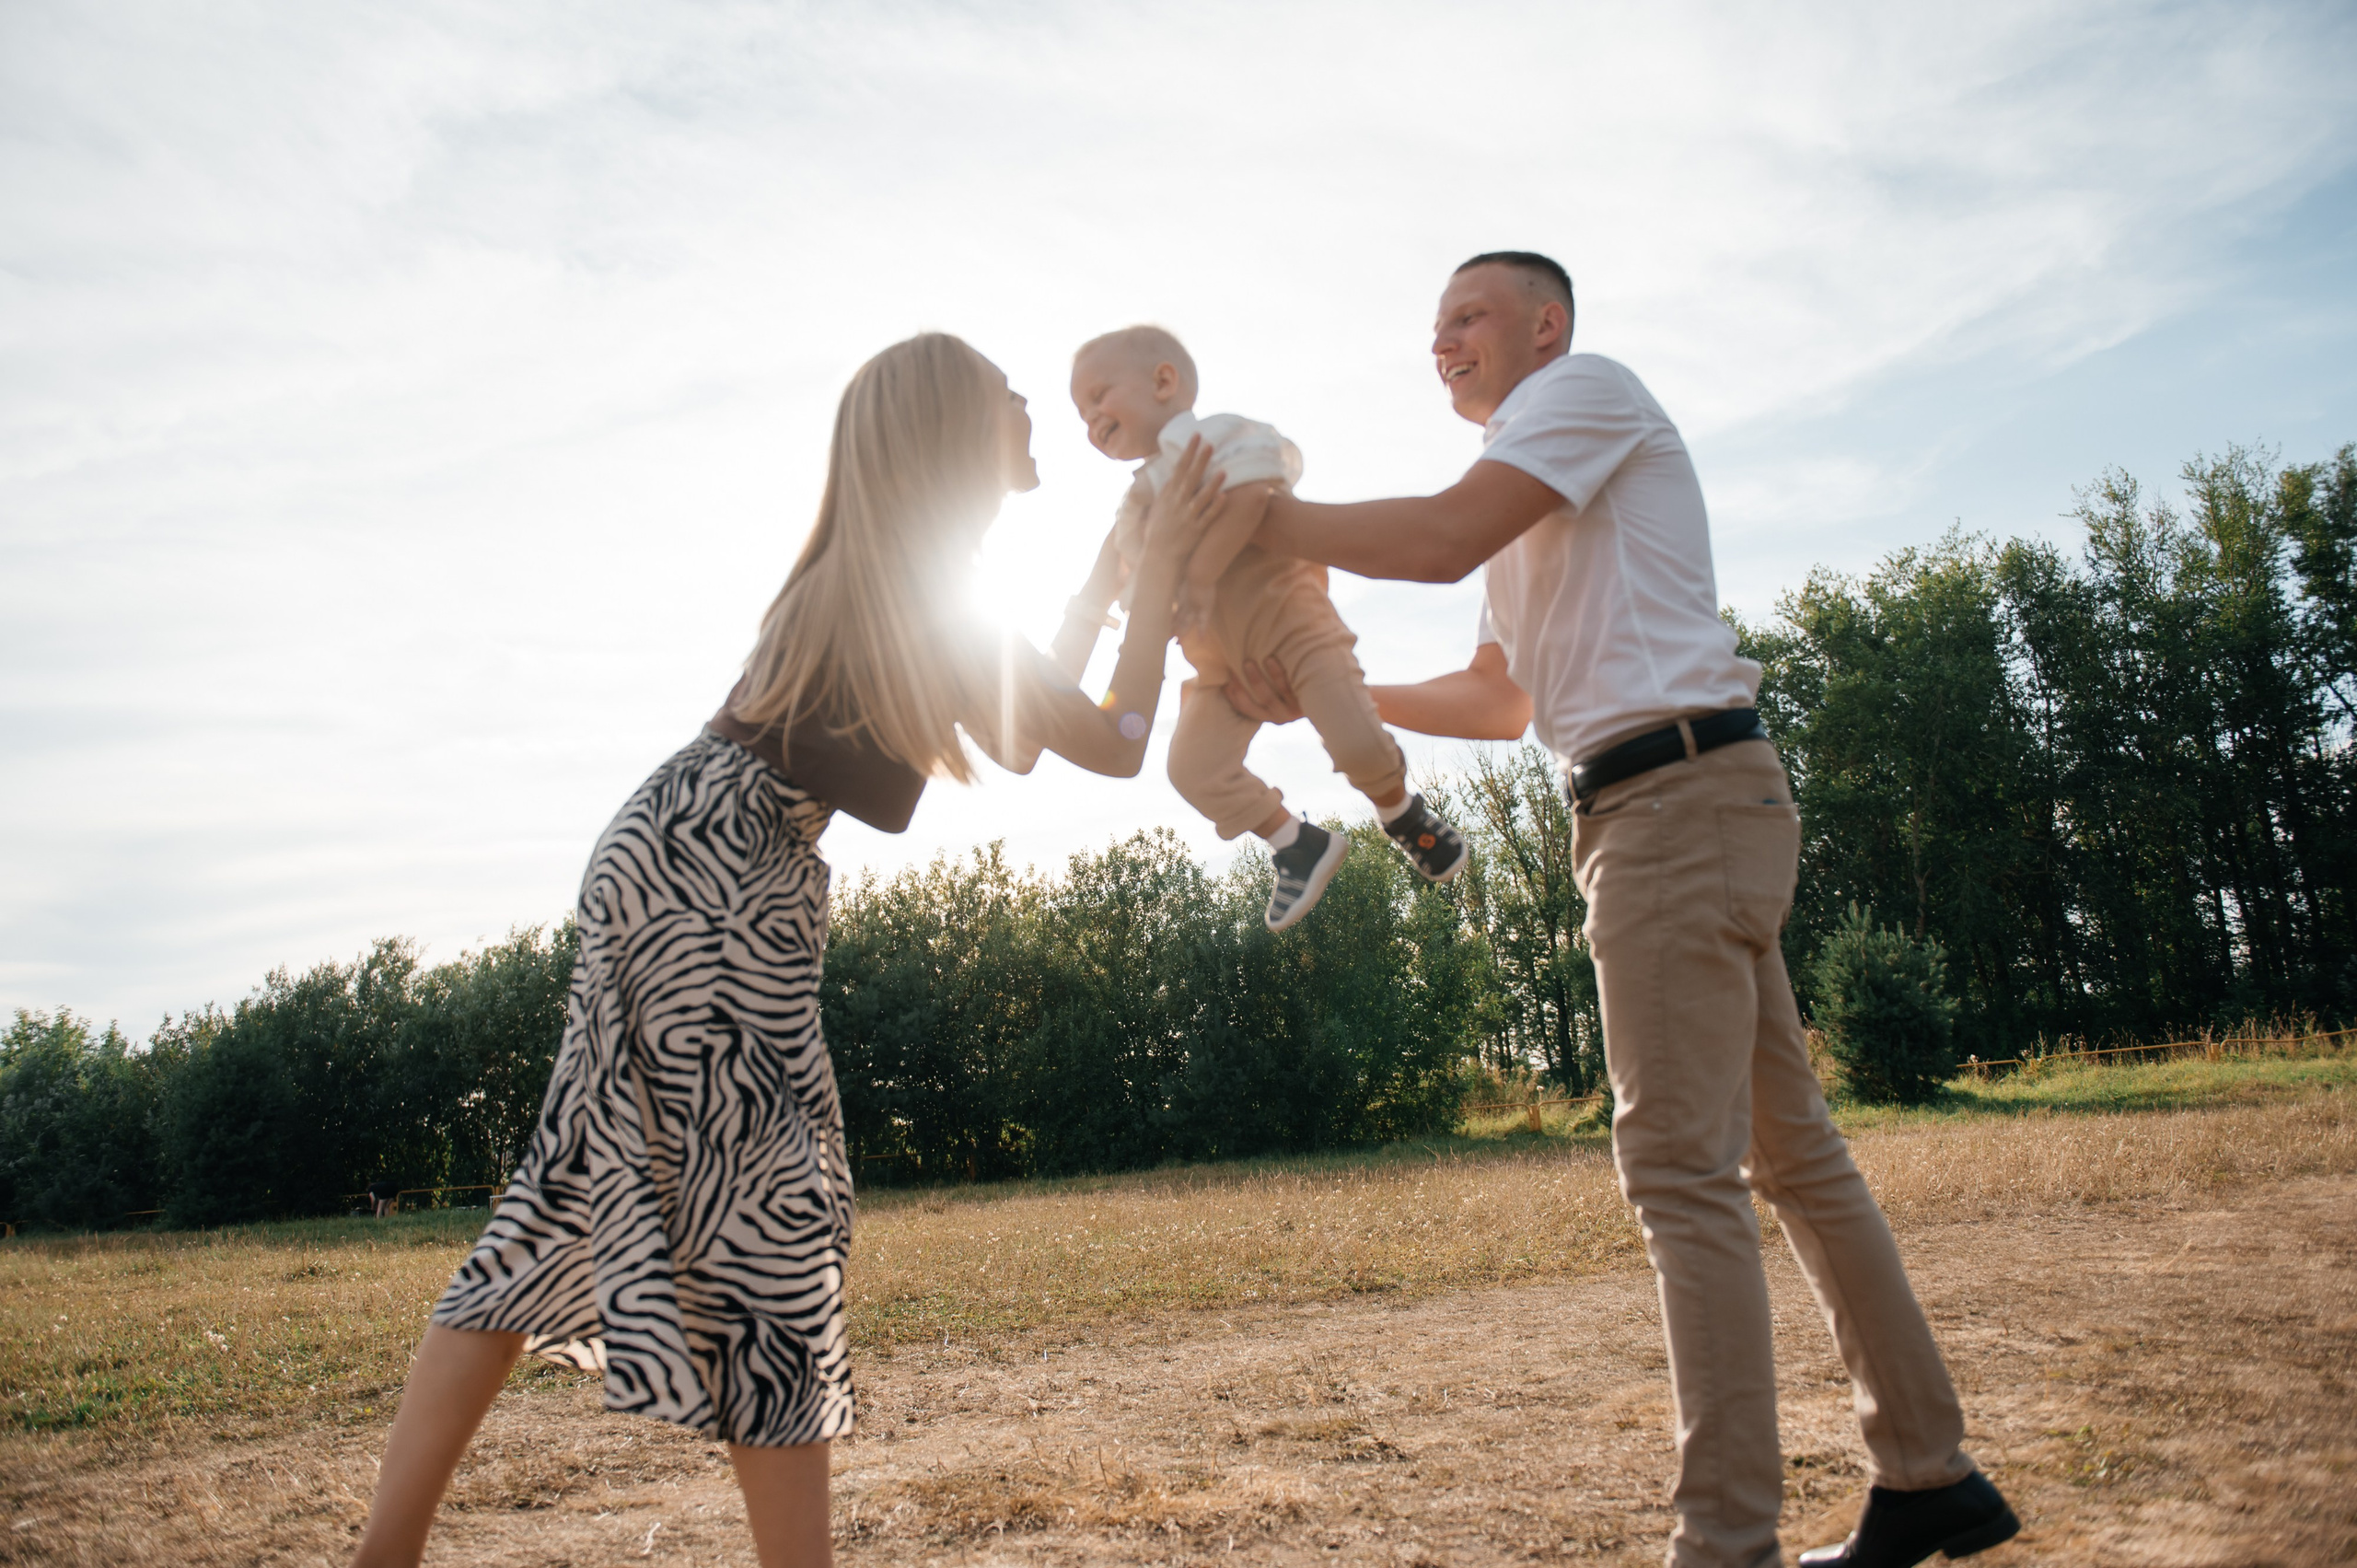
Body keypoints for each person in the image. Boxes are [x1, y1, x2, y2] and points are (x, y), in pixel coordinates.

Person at [347, 332, 1230, 1568]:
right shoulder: (919, 584)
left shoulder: (897, 573)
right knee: (772, 1214)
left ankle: (383, 1553)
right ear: (950, 429)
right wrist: (1169, 563)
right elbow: (1117, 736)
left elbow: (1034, 723)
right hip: (722, 863)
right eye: (1006, 392)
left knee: (560, 1200)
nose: (1033, 403)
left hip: (679, 838)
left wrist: (1115, 576)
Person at [1234, 253, 2018, 1568]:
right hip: (1672, 802)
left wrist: (1263, 521)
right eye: (1432, 331)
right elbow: (1500, 700)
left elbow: (1432, 535)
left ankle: (1725, 1545)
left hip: (1674, 803)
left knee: (1678, 1170)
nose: (1444, 344)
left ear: (1547, 324)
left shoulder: (1583, 391)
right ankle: (1929, 1471)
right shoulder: (1528, 483)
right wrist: (1333, 700)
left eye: (1467, 317)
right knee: (1794, 1156)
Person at [1058, 324, 1469, 931]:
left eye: (1098, 396)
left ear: (1164, 382)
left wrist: (1197, 577)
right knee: (1190, 767)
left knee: (1356, 740)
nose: (1090, 417)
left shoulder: (1214, 437)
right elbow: (1127, 584)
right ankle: (1294, 842)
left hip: (1292, 628)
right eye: (1080, 412)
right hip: (1219, 668)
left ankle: (1399, 810)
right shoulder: (1134, 507)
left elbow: (1253, 494)